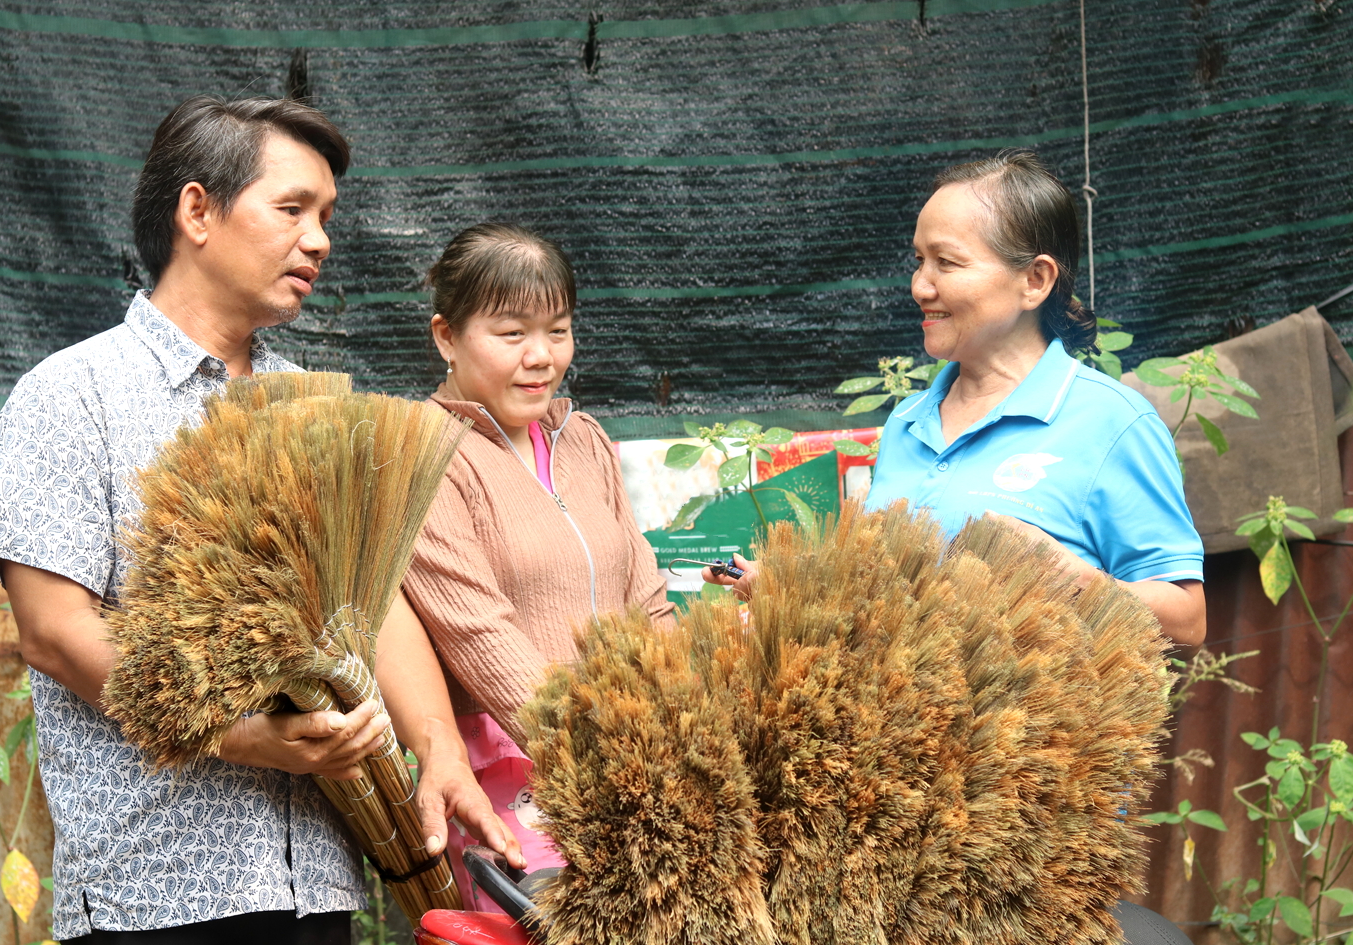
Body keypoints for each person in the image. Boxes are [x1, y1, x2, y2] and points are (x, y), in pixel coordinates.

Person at [0, 95, 516, 945]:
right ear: (197, 211)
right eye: (292, 208)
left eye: (326, 216)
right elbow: (53, 630)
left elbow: (373, 602)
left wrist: (439, 748)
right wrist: (239, 736)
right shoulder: (71, 395)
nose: (319, 240)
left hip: (317, 889)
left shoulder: (311, 405)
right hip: (156, 893)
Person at [709, 151, 1206, 647]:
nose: (920, 286)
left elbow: (1188, 622)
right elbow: (894, 600)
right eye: (919, 261)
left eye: (946, 262)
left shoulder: (1112, 423)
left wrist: (1076, 582)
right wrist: (789, 585)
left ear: (1035, 280)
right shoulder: (908, 421)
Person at [400, 222, 675, 911]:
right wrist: (603, 756)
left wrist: (686, 727)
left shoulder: (583, 438)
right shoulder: (422, 454)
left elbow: (646, 596)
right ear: (446, 337)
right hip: (517, 771)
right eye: (511, 333)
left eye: (558, 330)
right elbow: (477, 634)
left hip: (639, 758)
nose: (541, 356)